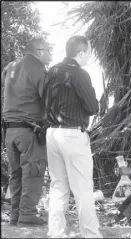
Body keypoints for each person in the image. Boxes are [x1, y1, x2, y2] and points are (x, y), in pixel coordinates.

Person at [43, 35, 102, 237]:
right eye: (89, 52)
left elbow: (43, 98)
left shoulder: (52, 71)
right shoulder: (80, 74)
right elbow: (93, 107)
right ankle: (91, 234)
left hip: (52, 133)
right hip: (72, 134)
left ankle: (55, 233)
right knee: (83, 188)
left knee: (58, 186)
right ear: (81, 52)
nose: (90, 56)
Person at [1, 38, 52, 226]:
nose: (50, 54)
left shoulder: (10, 66)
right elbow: (48, 99)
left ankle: (15, 215)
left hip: (9, 131)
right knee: (33, 171)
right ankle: (28, 214)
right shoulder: (37, 68)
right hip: (29, 130)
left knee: (16, 174)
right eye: (48, 50)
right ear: (39, 51)